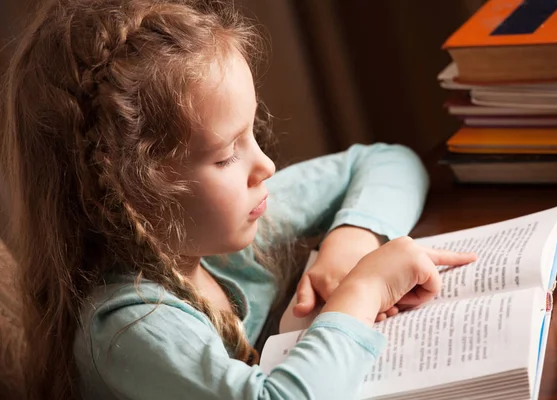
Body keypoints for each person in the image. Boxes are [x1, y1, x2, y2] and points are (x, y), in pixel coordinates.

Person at [0, 0, 477, 399]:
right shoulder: (128, 327)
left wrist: (352, 241)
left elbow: (388, 160)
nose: (265, 166)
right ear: (133, 190)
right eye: (229, 154)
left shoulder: (218, 233)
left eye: (253, 133)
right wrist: (362, 291)